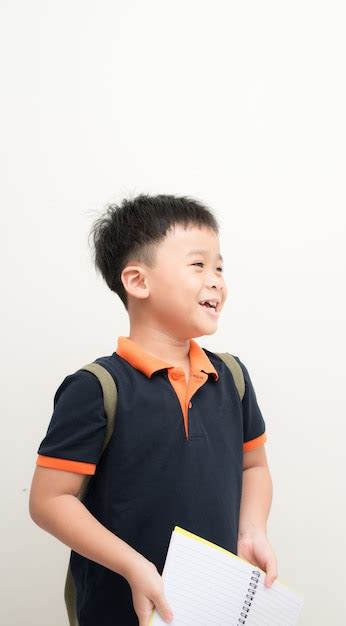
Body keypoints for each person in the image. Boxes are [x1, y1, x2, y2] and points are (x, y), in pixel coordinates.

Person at [29, 193, 278, 626]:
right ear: (138, 281)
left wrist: (251, 530)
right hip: (121, 612)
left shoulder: (232, 379)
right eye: (198, 265)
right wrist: (134, 566)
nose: (216, 279)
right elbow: (49, 501)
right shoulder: (97, 388)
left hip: (211, 607)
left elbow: (253, 467)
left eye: (220, 266)